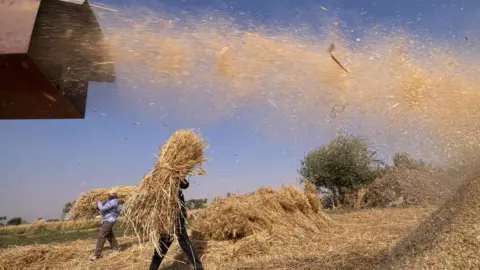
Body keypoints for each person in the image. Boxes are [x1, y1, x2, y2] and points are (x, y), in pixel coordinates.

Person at [149, 178, 204, 270]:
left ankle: (152, 268)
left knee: (164, 245)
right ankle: (199, 267)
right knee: (182, 243)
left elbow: (185, 184)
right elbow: (185, 185)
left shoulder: (172, 177)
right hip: (172, 216)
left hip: (171, 216)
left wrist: (179, 176)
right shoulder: (165, 179)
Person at [90, 190, 120, 262]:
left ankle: (96, 255)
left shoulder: (114, 202)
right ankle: (116, 249)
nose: (108, 196)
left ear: (113, 196)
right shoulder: (109, 201)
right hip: (106, 220)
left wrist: (99, 203)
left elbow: (103, 209)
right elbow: (102, 207)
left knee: (102, 235)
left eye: (110, 195)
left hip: (109, 220)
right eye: (108, 195)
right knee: (109, 235)